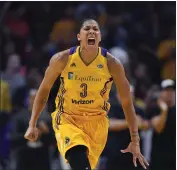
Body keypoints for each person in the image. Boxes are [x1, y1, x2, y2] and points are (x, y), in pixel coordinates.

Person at [24, 19, 149, 170]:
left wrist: (135, 139)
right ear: (78, 36)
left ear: (100, 37)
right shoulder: (62, 59)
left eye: (95, 29)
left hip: (97, 124)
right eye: (87, 29)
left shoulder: (112, 64)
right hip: (68, 119)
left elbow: (127, 102)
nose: (91, 31)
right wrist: (32, 124)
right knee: (78, 160)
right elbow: (43, 91)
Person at [104, 85, 149, 170]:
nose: (128, 95)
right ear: (118, 95)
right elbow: (109, 124)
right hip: (115, 155)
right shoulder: (112, 108)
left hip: (134, 156)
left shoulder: (139, 109)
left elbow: (146, 125)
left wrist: (142, 124)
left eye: (130, 93)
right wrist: (132, 122)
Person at [147, 79, 175, 170]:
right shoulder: (154, 109)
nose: (170, 93)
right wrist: (164, 110)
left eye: (172, 90)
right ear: (161, 93)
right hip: (159, 160)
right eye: (166, 90)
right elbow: (158, 128)